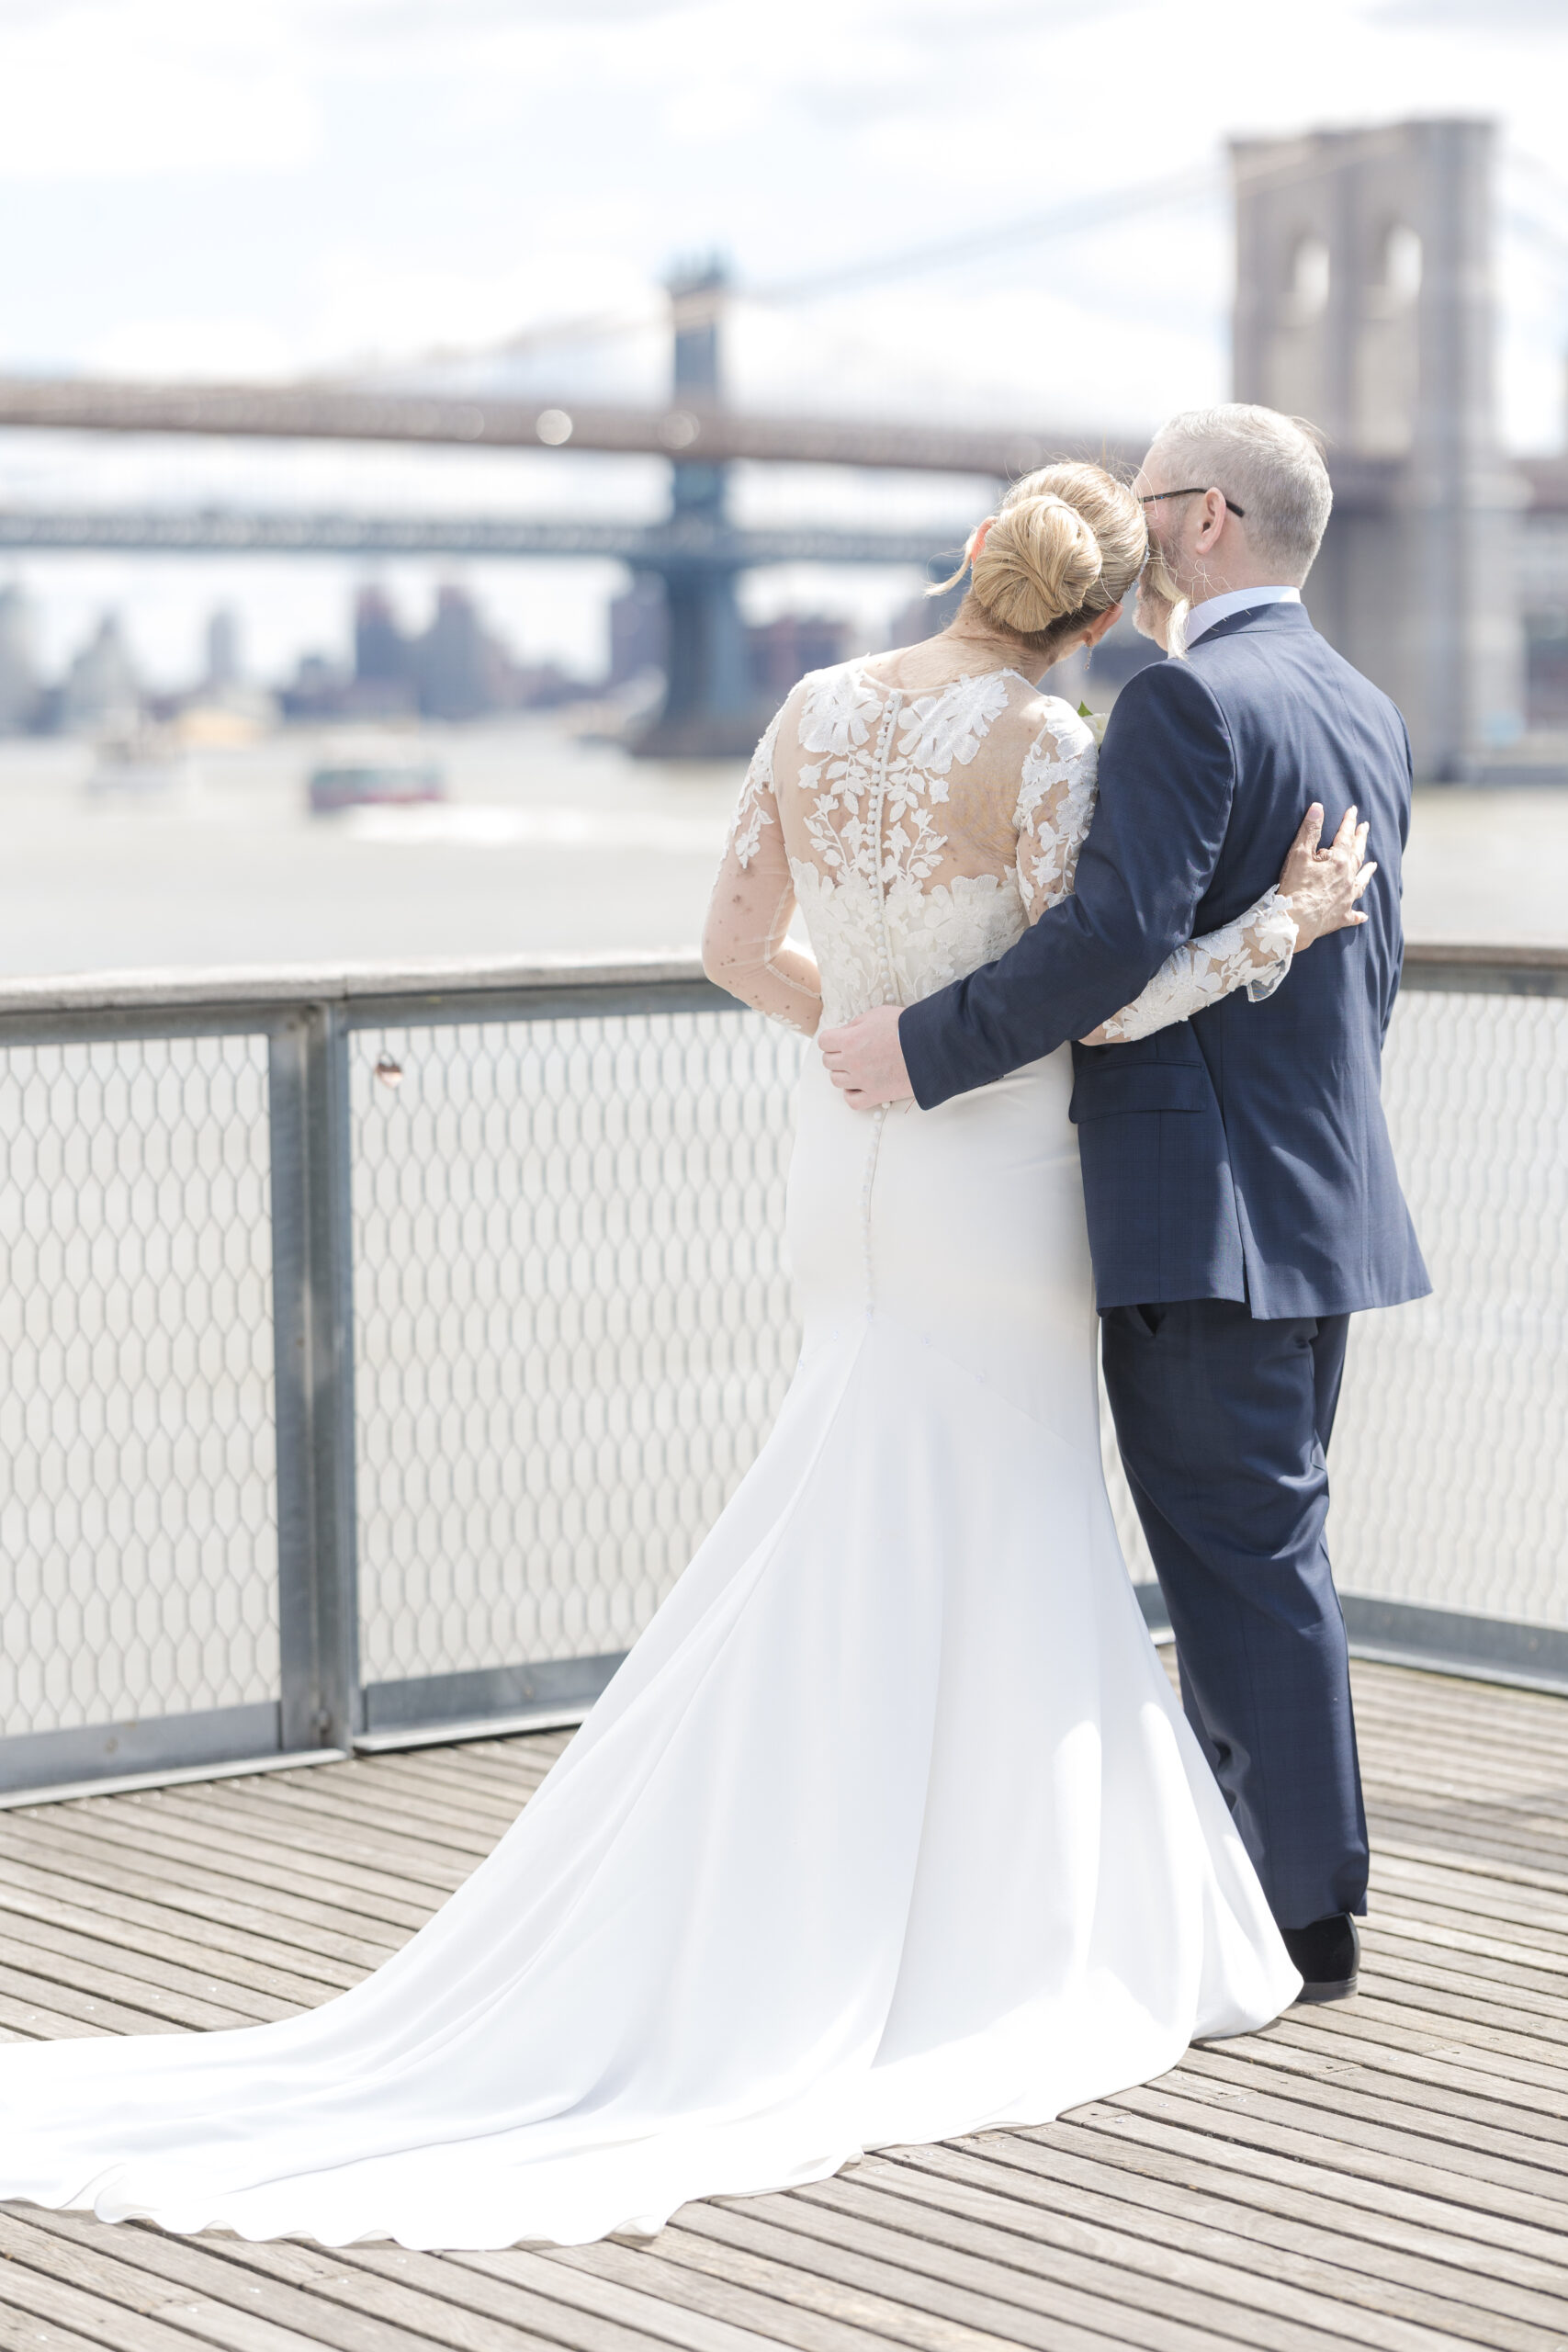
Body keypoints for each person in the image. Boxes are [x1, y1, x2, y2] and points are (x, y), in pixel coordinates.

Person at [0, 458, 1369, 2256]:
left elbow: (731, 944)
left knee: (861, 1491)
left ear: (972, 555)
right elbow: (1093, 995)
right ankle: (972, 1903)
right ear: (1103, 615)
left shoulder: (807, 708)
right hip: (990, 1173)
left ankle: (831, 1870)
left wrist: (854, 1032)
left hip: (849, 1164)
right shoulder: (1047, 750)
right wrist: (1275, 928)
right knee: (1000, 1521)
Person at [820, 406, 1431, 2005]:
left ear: (1210, 517)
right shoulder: (1364, 704)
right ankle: (1286, 1890)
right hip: (1320, 1197)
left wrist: (916, 1047)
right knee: (1272, 1553)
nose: (1132, 536)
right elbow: (1359, 972)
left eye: (1152, 505)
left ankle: (1299, 1922)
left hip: (1203, 1211)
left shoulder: (1180, 704)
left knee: (1241, 1574)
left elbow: (1103, 949)